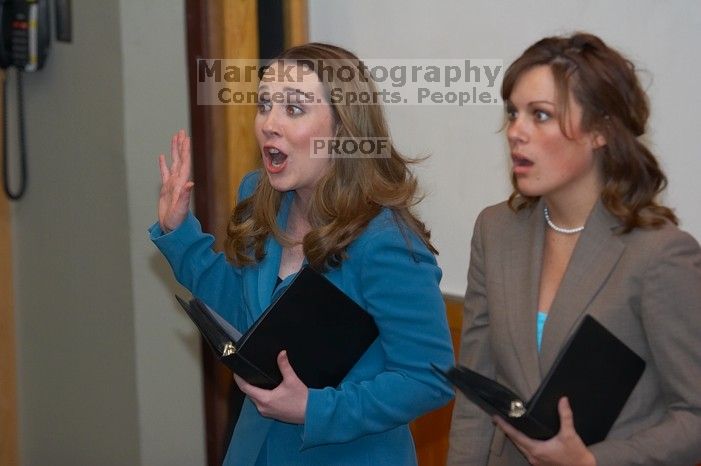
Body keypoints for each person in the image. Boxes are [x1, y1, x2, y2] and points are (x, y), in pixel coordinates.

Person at [150, 42, 454, 466]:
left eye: (293, 109)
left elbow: (429, 379)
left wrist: (315, 409)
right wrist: (177, 232)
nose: (269, 125)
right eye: (264, 105)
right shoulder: (261, 198)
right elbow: (246, 317)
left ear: (344, 132)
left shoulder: (385, 242)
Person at [447, 32, 701, 466]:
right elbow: (475, 396)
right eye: (513, 113)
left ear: (600, 131)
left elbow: (694, 416)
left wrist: (591, 462)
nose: (515, 132)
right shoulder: (496, 230)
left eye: (540, 115)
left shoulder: (661, 253)